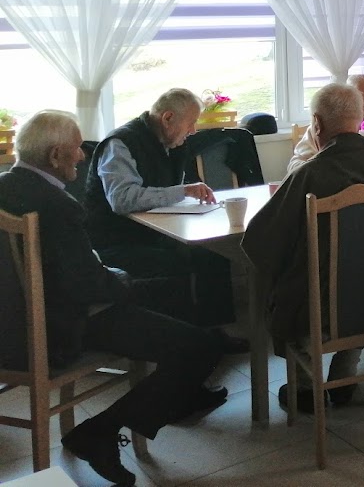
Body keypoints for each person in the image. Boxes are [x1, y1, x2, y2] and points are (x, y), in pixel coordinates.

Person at [0, 111, 227, 486]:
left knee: (166, 299)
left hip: (13, 325)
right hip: (61, 329)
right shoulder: (57, 205)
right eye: (76, 148)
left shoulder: (6, 188)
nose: (81, 156)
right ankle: (101, 430)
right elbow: (87, 286)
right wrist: (124, 281)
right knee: (201, 344)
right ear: (55, 155)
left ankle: (177, 391)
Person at [242, 82, 364, 413]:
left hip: (318, 308)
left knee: (297, 283)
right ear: (360, 119)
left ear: (316, 123)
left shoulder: (309, 175)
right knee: (363, 280)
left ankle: (306, 386)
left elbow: (261, 241)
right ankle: (345, 375)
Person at [84, 88, 236, 328]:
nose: (193, 131)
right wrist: (183, 191)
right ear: (168, 118)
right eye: (191, 123)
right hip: (116, 241)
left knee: (214, 253)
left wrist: (187, 192)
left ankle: (215, 331)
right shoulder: (120, 144)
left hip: (153, 232)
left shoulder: (170, 143)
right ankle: (183, 334)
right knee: (172, 263)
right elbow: (122, 199)